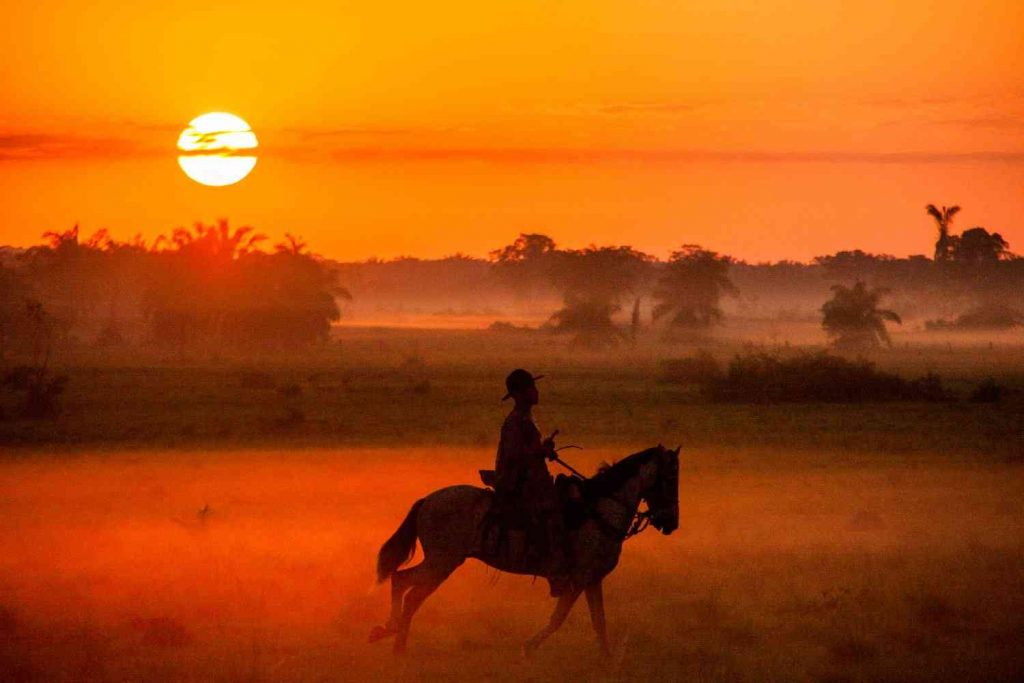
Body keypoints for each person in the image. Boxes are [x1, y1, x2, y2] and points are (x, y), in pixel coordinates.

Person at [494, 369, 572, 596]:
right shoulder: (515, 421)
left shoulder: (525, 418)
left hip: (533, 478)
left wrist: (542, 450)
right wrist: (541, 451)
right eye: (531, 388)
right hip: (519, 483)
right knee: (551, 513)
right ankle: (549, 569)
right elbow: (513, 455)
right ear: (519, 394)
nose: (536, 392)